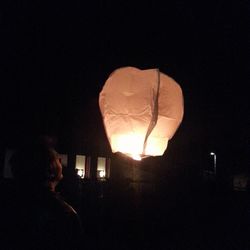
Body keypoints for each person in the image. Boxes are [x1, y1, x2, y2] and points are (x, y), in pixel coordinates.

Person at [1, 137, 83, 250]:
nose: (61, 162)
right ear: (49, 170)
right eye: (56, 159)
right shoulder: (64, 214)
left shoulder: (9, 205)